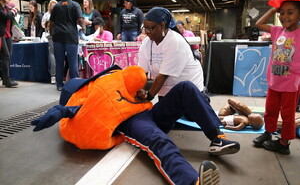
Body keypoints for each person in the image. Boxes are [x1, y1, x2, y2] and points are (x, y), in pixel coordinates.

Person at [31, 65, 241, 185]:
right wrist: (55, 113)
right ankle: (190, 182)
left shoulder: (109, 79)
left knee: (185, 88)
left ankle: (217, 137)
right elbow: (72, 110)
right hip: (130, 121)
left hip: (148, 111)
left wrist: (141, 93)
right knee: (159, 142)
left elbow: (135, 83)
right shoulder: (89, 100)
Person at [253, 0, 300, 155]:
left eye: (290, 13)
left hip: (290, 85)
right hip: (274, 82)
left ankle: (283, 142)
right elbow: (258, 24)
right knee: (270, 111)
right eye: (282, 12)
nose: (285, 16)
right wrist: (274, 8)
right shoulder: (277, 31)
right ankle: (268, 133)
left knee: (287, 115)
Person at [138, 7, 204, 101]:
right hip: (165, 90)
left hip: (188, 93)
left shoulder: (175, 42)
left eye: (150, 28)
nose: (147, 32)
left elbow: (163, 76)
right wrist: (140, 89)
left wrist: (148, 97)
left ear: (162, 25)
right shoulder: (146, 44)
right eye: (145, 28)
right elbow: (142, 72)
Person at [50, 0, 86, 91]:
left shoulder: (56, 6)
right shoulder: (75, 5)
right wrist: (83, 29)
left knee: (59, 61)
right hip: (71, 36)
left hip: (58, 36)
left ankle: (59, 84)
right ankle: (74, 84)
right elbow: (80, 19)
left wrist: (52, 33)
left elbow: (52, 23)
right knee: (72, 61)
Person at [0, 0, 18, 87]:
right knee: (5, 56)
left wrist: (13, 11)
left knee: (7, 57)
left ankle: (6, 78)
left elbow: (10, 17)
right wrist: (14, 11)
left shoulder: (6, 8)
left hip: (8, 34)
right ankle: (6, 80)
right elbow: (6, 17)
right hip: (1, 35)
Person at [42, 0, 57, 84]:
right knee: (52, 55)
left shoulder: (59, 14)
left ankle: (58, 75)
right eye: (52, 5)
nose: (53, 7)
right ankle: (53, 75)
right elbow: (43, 24)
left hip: (59, 36)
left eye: (55, 5)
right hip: (50, 36)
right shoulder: (46, 14)